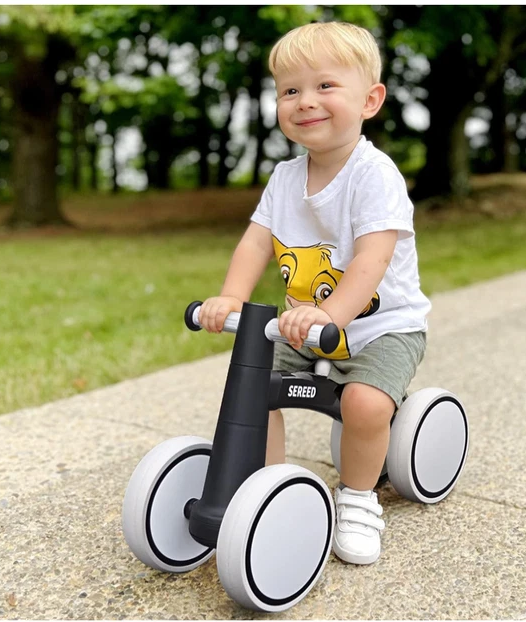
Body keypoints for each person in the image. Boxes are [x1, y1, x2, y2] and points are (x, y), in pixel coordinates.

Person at [197, 21, 430, 565]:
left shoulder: (374, 175)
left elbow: (372, 261)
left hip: (381, 327)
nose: (306, 102)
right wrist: (231, 297)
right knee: (251, 384)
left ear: (370, 100)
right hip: (304, 326)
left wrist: (330, 313)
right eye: (290, 91)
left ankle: (356, 498)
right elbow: (256, 244)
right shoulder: (283, 178)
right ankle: (270, 491)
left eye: (325, 86)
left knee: (365, 405)